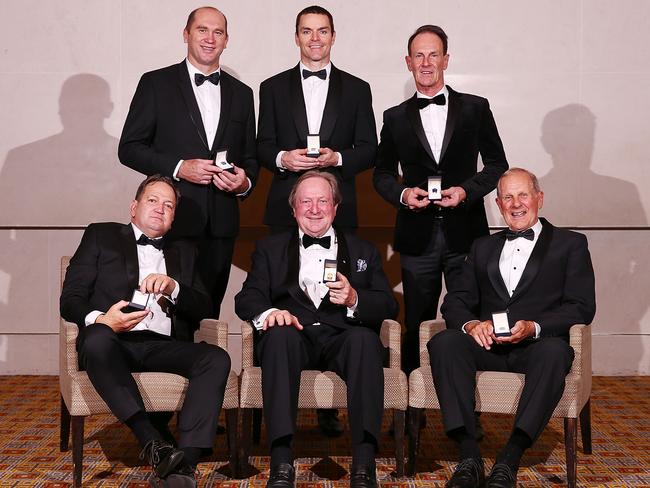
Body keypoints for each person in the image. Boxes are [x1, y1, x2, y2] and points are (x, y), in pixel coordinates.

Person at [429, 168, 596, 488]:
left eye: (523, 195)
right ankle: (469, 456)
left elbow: (581, 307)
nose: (515, 203)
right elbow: (455, 301)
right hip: (488, 345)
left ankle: (510, 457)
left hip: (536, 346)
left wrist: (534, 327)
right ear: (498, 203)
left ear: (539, 198)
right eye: (507, 197)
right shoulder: (482, 247)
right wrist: (472, 324)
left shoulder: (571, 244)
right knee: (445, 342)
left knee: (555, 351)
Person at [60, 175, 231, 487]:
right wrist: (102, 320)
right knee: (96, 340)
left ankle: (183, 462)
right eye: (153, 200)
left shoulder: (185, 251)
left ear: (174, 217)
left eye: (169, 205)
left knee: (216, 358)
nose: (160, 209)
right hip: (112, 341)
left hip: (161, 345)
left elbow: (205, 306)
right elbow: (70, 300)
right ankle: (151, 440)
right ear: (133, 207)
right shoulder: (101, 235)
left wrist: (175, 288)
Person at [235, 171, 398, 488]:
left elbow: (388, 305)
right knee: (278, 337)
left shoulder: (363, 250)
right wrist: (271, 312)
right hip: (294, 336)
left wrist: (354, 298)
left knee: (365, 340)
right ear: (293, 208)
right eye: (305, 201)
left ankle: (364, 464)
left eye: (322, 201)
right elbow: (248, 296)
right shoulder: (270, 248)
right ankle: (282, 463)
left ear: (335, 207)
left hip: (343, 337)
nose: (314, 209)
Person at [373, 25, 508, 375]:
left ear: (446, 59)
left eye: (434, 54)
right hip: (416, 236)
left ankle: (469, 408)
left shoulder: (476, 108)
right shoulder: (394, 117)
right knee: (416, 322)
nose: (426, 62)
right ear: (408, 62)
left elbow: (497, 165)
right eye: (419, 55)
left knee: (471, 319)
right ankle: (409, 416)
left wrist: (466, 191)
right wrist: (403, 194)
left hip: (468, 234)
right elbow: (382, 175)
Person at [119, 6, 258, 318]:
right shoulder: (155, 83)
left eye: (218, 32)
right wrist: (180, 167)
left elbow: (250, 157)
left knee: (209, 311)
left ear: (226, 40)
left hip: (222, 224)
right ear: (186, 34)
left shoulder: (243, 94)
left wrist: (244, 182)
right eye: (202, 30)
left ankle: (207, 366)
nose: (210, 38)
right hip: (171, 220)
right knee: (166, 309)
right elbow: (129, 148)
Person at [257, 5, 377, 234]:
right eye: (306, 31)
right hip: (284, 206)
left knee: (340, 271)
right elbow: (262, 145)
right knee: (282, 270)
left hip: (339, 204)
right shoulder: (272, 87)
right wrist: (283, 159)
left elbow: (369, 149)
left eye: (322, 31)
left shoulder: (358, 89)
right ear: (296, 37)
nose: (315, 38)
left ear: (333, 37)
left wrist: (337, 158)